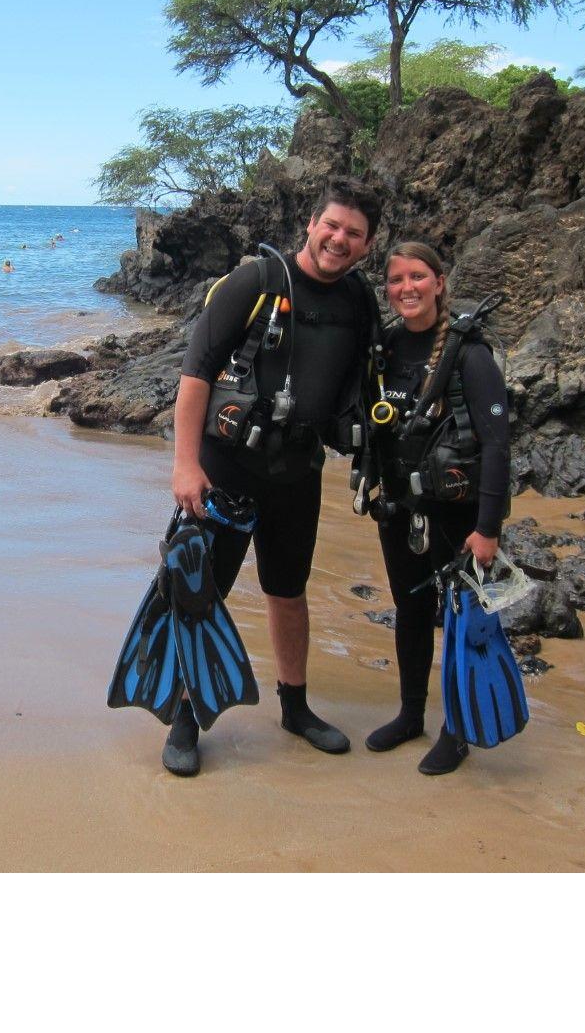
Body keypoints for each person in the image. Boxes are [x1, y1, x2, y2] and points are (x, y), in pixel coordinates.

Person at [162, 177, 381, 777]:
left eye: (354, 233)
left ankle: (295, 707)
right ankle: (186, 717)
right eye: (331, 225)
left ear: (367, 245)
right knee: (203, 592)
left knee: (288, 590)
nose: (339, 239)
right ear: (311, 224)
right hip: (228, 466)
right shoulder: (256, 281)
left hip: (298, 470)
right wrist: (185, 464)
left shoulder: (359, 302)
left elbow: (368, 385)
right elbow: (196, 374)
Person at [357, 242, 511, 776]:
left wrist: (488, 529)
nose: (407, 288)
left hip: (457, 513)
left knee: (461, 620)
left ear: (439, 283)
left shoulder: (470, 354)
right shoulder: (387, 347)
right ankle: (410, 715)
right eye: (397, 279)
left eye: (418, 277)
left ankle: (458, 730)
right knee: (411, 612)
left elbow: (496, 446)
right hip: (399, 506)